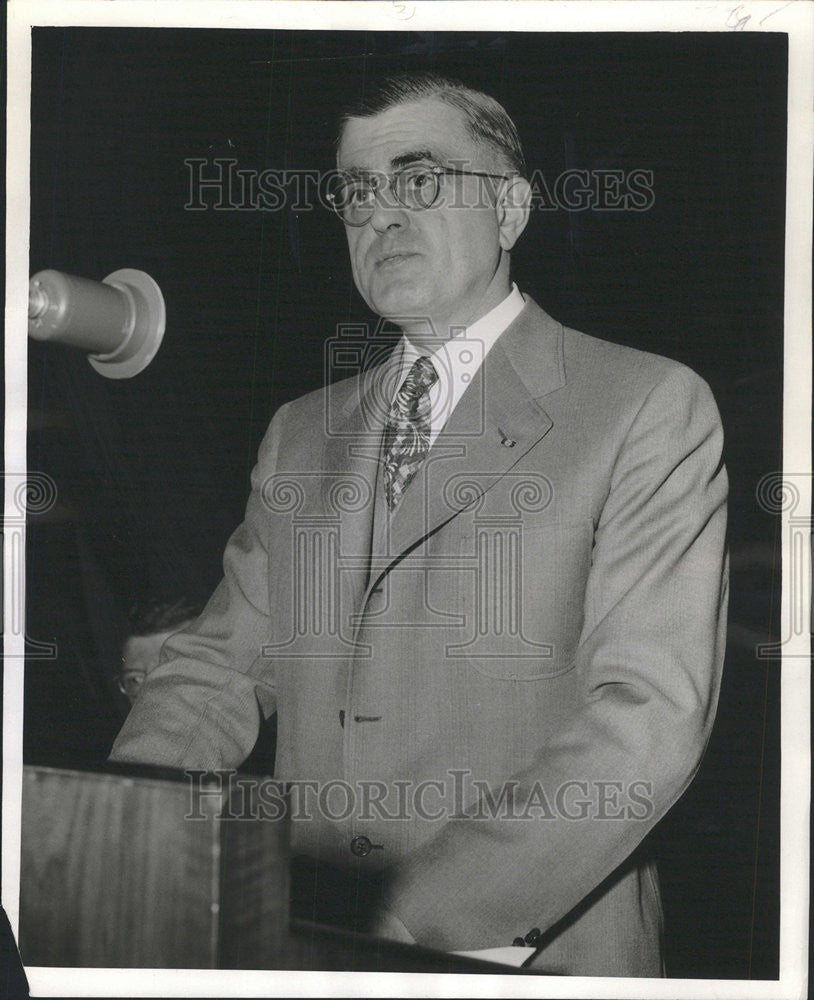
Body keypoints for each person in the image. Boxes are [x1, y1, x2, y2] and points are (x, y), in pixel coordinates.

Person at [110, 72, 728, 976]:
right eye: (356, 191)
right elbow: (216, 670)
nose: (380, 216)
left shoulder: (645, 406)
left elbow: (648, 721)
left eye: (420, 179)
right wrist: (123, 835)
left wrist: (408, 916)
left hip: (529, 954)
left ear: (511, 208)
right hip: (298, 947)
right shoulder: (300, 432)